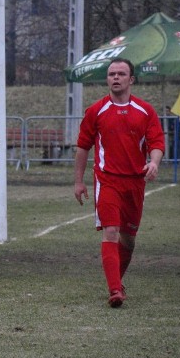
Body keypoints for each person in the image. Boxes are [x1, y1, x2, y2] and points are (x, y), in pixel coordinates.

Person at [73, 59, 165, 308]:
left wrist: (154, 163)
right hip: (107, 180)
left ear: (131, 80)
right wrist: (79, 181)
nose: (115, 77)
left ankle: (118, 280)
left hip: (135, 183)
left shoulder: (145, 111)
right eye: (111, 74)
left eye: (121, 74)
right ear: (107, 79)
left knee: (128, 240)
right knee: (110, 231)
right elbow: (82, 146)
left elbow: (157, 143)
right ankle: (114, 290)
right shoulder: (96, 111)